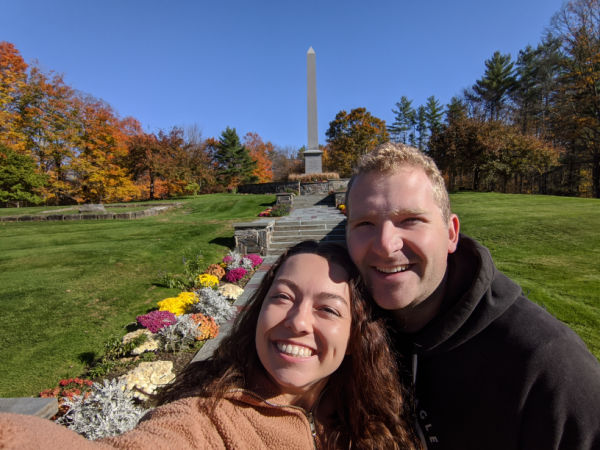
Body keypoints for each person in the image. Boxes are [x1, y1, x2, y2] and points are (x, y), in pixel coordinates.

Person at [0, 241, 420, 449]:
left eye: (327, 310)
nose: (296, 322)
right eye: (283, 297)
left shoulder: (377, 423)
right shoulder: (209, 418)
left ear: (353, 340)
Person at [344, 142, 600, 450]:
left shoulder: (548, 365)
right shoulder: (346, 339)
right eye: (365, 224)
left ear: (451, 233)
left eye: (410, 220)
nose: (386, 244)